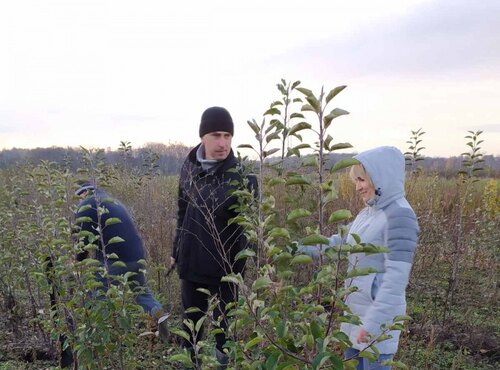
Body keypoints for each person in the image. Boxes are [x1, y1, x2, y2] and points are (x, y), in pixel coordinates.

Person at [301, 146, 419, 370]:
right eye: (356, 180)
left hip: (376, 322)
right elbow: (340, 242)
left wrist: (373, 324)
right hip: (356, 316)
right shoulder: (369, 212)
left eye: (362, 180)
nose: (357, 187)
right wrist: (301, 248)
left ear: (380, 177)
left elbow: (396, 280)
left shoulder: (400, 215)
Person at [171, 106, 258, 367]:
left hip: (226, 271)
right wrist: (176, 251)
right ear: (203, 137)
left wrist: (249, 268)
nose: (223, 143)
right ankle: (193, 363)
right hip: (192, 264)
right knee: (192, 329)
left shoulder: (243, 177)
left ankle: (222, 364)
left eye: (228, 136)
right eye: (216, 135)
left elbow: (252, 228)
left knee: (224, 334)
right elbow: (182, 211)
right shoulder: (188, 169)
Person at [74, 181, 169, 341]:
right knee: (142, 294)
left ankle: (95, 339)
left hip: (114, 259)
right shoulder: (112, 200)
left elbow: (82, 240)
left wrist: (78, 261)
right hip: (137, 255)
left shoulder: (87, 204)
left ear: (83, 193)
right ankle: (161, 320)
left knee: (96, 295)